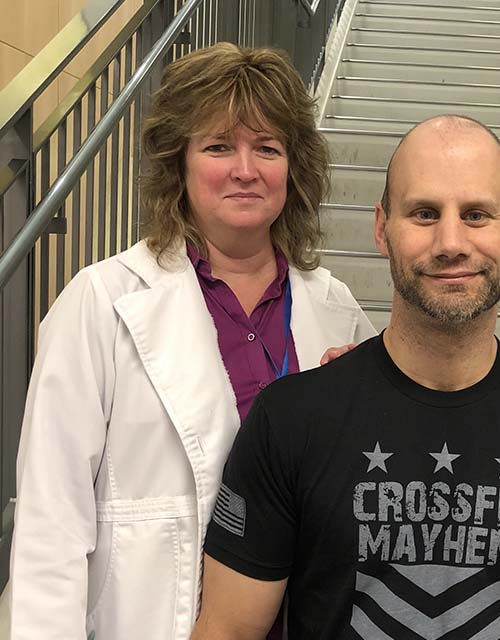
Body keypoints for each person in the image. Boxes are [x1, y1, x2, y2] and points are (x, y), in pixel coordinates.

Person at [190, 114, 500, 640]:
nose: (450, 242)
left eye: (476, 215)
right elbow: (228, 629)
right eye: (424, 213)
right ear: (382, 228)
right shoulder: (290, 420)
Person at [9, 43, 376, 639]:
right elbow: (52, 526)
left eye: (267, 147)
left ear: (294, 167)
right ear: (177, 163)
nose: (245, 168)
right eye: (217, 146)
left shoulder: (338, 313)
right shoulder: (100, 304)